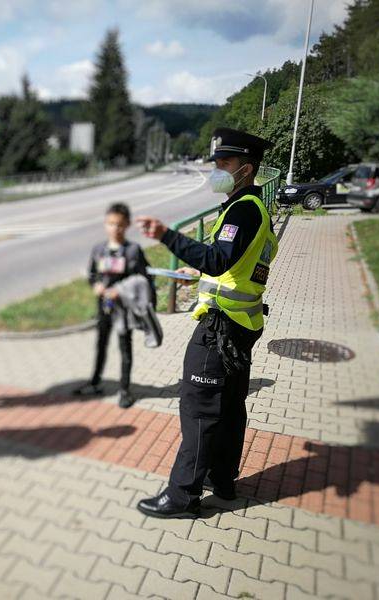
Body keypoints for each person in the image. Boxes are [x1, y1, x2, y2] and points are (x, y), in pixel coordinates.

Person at [135, 127, 278, 518]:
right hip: (241, 324)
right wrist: (195, 269)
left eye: (225, 163)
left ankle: (182, 496)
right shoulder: (250, 206)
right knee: (229, 407)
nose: (217, 169)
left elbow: (218, 261)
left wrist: (167, 235)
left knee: (199, 408)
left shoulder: (244, 209)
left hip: (221, 330)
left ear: (246, 169)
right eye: (215, 162)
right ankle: (223, 480)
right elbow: (228, 264)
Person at [73, 202, 153, 409]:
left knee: (125, 347)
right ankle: (95, 382)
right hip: (104, 306)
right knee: (100, 343)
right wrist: (96, 285)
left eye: (119, 224)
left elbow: (144, 279)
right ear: (105, 224)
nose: (114, 229)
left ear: (126, 225)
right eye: (110, 224)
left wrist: (123, 290)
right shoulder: (99, 249)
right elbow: (93, 273)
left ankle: (125, 390)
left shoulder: (133, 250)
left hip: (124, 310)